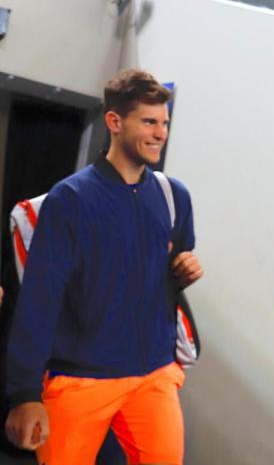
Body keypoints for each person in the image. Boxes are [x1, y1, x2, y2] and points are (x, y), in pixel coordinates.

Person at [4, 69, 203, 465]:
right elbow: (40, 302)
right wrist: (25, 393)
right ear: (114, 122)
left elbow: (168, 267)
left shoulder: (173, 195)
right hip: (80, 379)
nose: (160, 132)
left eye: (164, 122)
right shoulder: (70, 200)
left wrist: (184, 268)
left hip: (154, 376)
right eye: (149, 121)